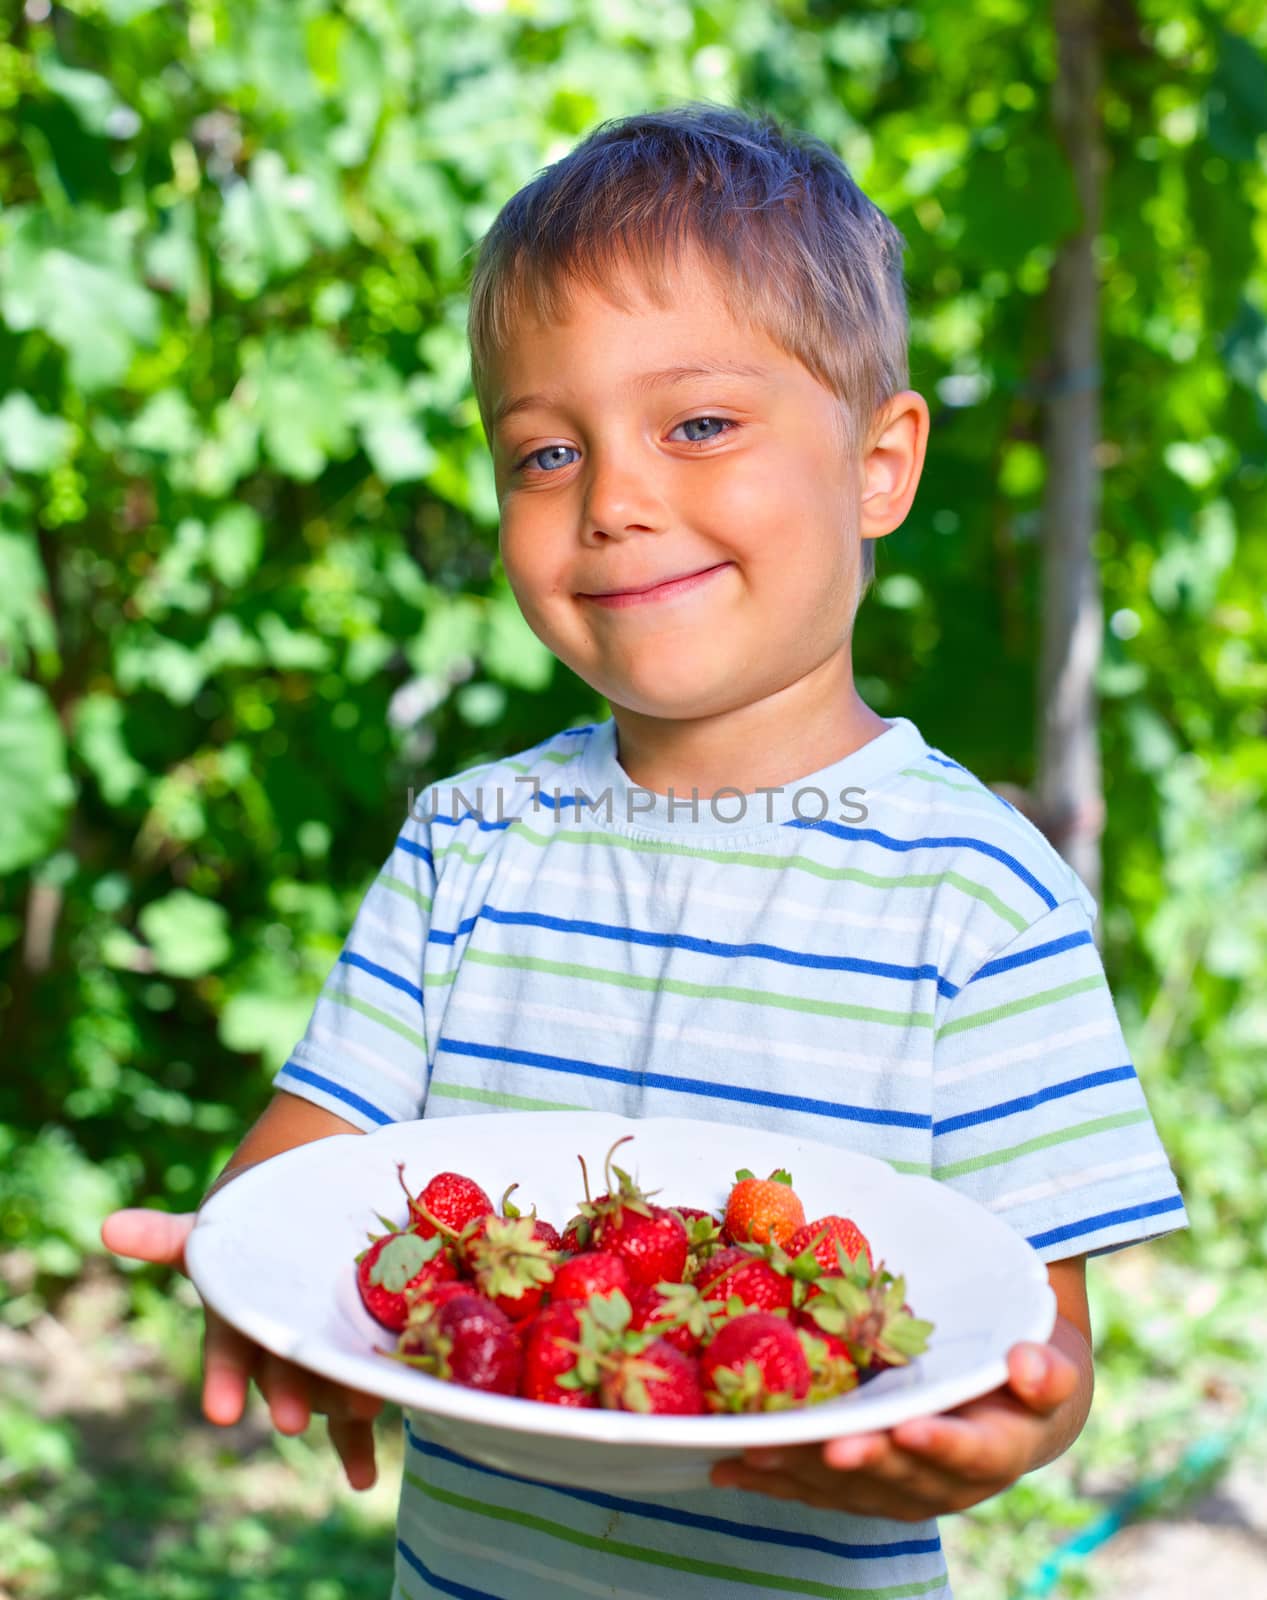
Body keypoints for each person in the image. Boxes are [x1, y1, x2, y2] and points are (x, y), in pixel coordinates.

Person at [103, 101, 1188, 1599]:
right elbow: (313, 1150)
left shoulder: (979, 897)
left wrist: (1012, 1421)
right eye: (544, 453)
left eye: (696, 426)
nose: (611, 500)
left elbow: (1038, 1331)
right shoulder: (468, 844)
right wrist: (253, 1271)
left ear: (881, 464)